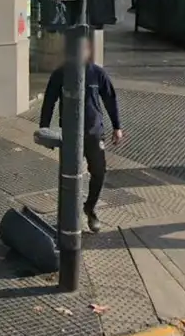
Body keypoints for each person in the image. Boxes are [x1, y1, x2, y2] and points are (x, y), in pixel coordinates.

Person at [39, 42, 123, 233]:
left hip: (94, 132)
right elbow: (49, 100)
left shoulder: (97, 73)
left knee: (99, 173)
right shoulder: (60, 74)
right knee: (68, 175)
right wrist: (44, 128)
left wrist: (117, 126)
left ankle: (90, 208)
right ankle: (67, 215)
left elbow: (110, 99)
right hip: (70, 134)